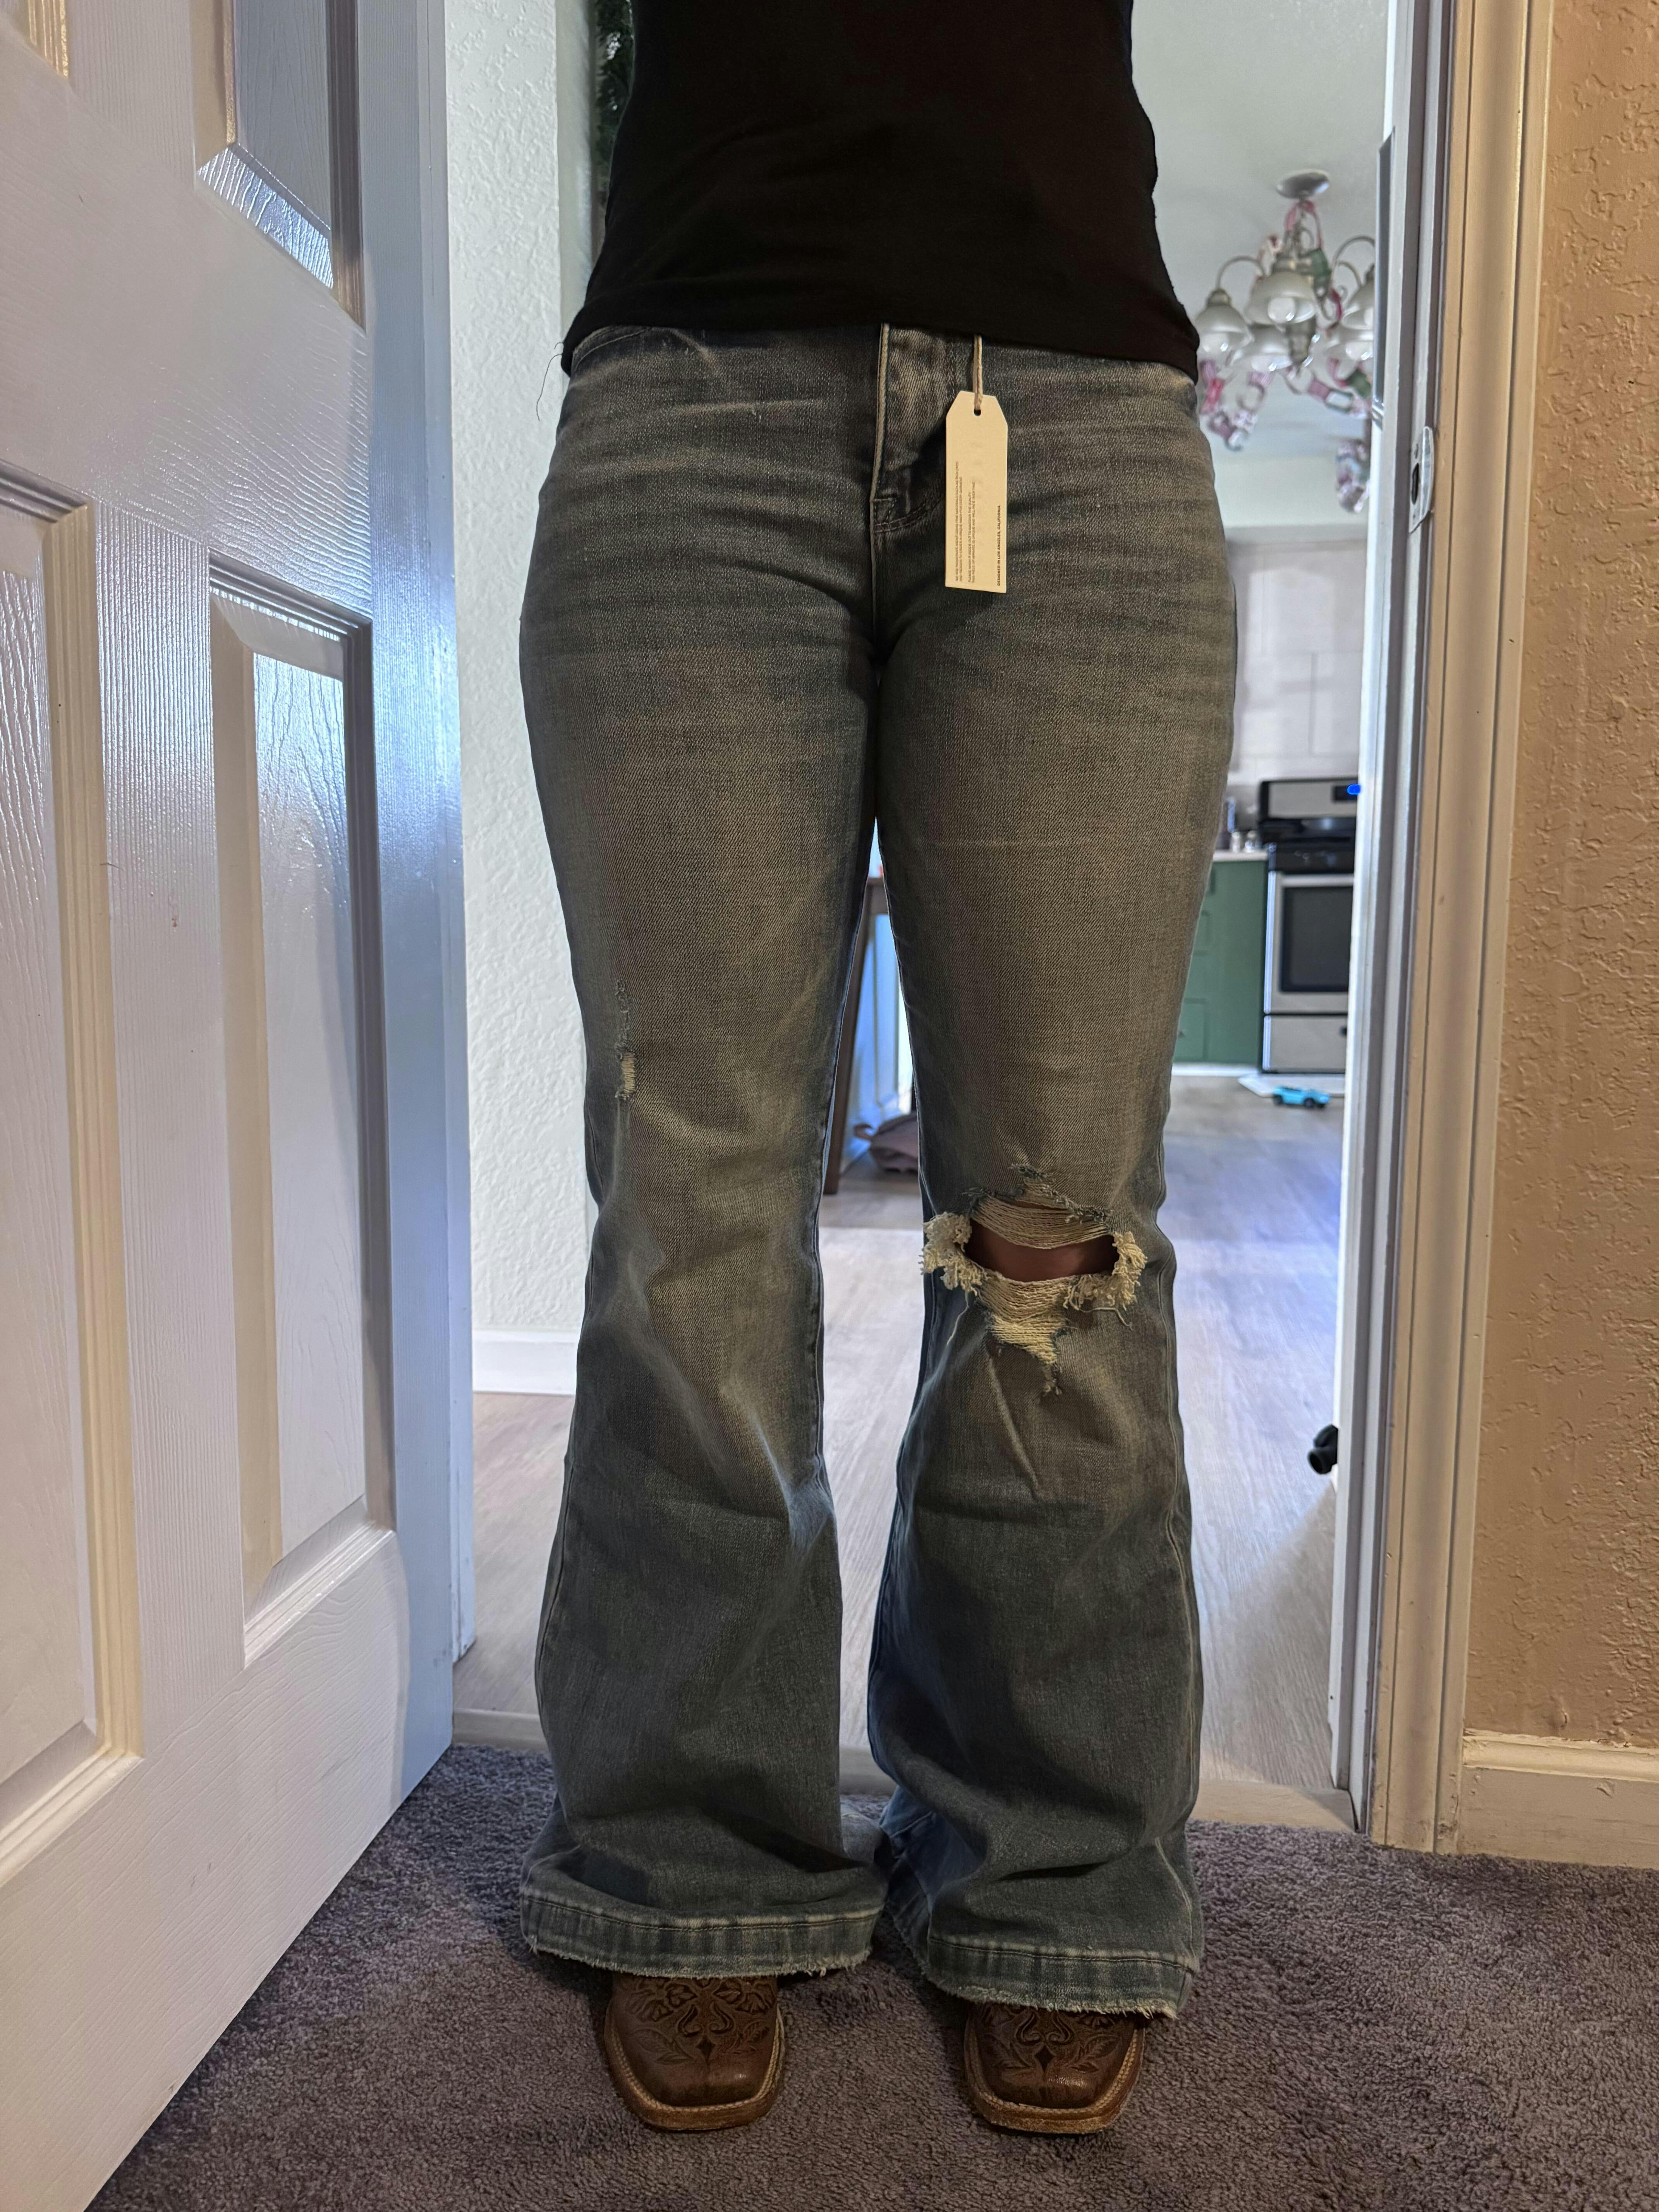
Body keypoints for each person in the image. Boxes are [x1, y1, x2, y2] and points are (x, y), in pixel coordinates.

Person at [517, 0, 1235, 2136]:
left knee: (1055, 1227)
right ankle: (691, 1863)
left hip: (1078, 412)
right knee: (695, 1201)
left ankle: (1051, 1876)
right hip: (691, 408)